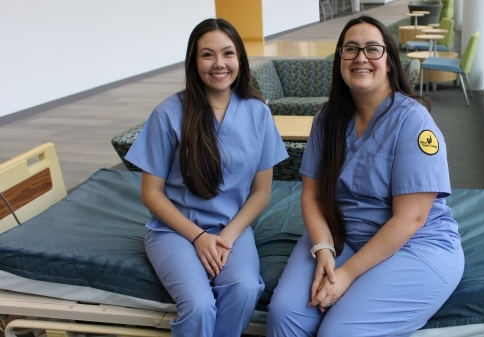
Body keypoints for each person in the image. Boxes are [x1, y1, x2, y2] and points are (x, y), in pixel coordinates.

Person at [266, 16, 464, 337]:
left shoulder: (413, 121)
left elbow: (411, 219)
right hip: (341, 235)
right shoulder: (326, 119)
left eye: (373, 49)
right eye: (351, 49)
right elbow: (313, 195)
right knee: (284, 315)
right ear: (340, 61)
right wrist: (324, 249)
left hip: (413, 246)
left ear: (389, 62)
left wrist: (346, 275)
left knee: (338, 332)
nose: (361, 57)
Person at [125, 18, 288, 337]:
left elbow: (261, 192)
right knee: (199, 305)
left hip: (232, 229)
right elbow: (151, 194)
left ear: (239, 58)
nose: (219, 64)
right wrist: (199, 238)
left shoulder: (258, 112)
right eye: (207, 55)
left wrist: (226, 237)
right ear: (193, 61)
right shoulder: (168, 114)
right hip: (174, 230)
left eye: (228, 53)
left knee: (244, 288)